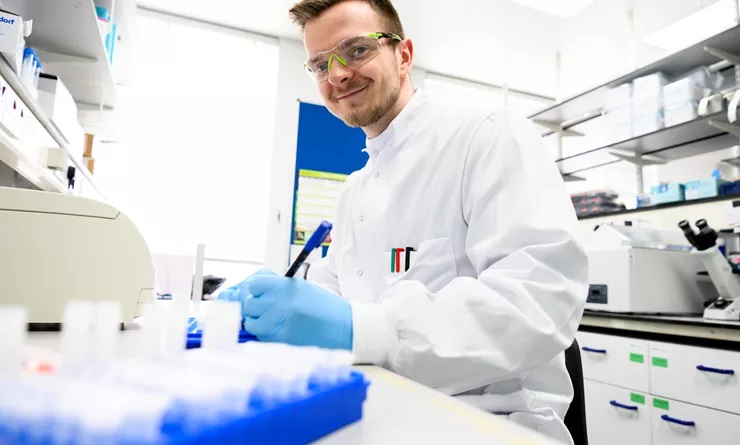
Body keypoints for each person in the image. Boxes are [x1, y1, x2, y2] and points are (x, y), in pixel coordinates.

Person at [219, 0, 588, 442]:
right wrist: (280, 302)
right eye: (319, 65)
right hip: (383, 405)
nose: (336, 74)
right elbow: (338, 288)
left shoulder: (487, 134)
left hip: (491, 425)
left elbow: (537, 302)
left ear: (404, 55)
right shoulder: (355, 187)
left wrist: (360, 329)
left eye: (356, 50)